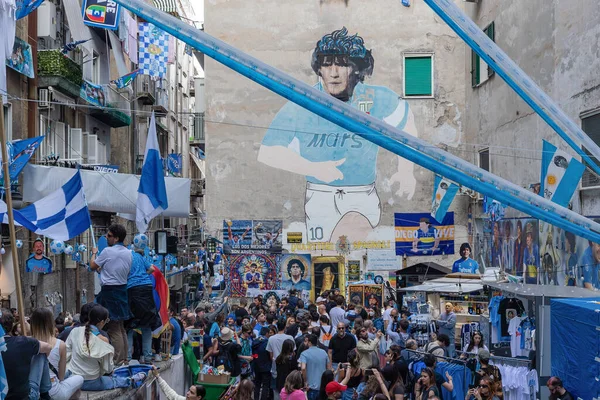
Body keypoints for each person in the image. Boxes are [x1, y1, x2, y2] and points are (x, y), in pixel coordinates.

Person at [258, 27, 419, 244]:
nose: (334, 72)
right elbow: (268, 152)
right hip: (318, 196)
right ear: (319, 69)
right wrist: (313, 168)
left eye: (342, 64)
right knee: (325, 258)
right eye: (327, 64)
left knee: (342, 245)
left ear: (356, 69)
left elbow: (405, 122)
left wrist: (406, 171)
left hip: (360, 196)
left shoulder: (375, 98)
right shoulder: (303, 102)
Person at [66, 304, 145, 390]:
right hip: (91, 381)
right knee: (114, 381)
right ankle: (131, 381)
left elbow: (67, 353)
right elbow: (108, 369)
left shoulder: (75, 331)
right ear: (101, 322)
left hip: (73, 379)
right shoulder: (103, 340)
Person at [90, 223, 132, 364]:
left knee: (113, 327)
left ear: (116, 238)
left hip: (110, 292)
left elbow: (92, 265)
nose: (106, 238)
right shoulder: (128, 253)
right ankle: (125, 358)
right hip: (122, 289)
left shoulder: (107, 251)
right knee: (120, 327)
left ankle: (118, 359)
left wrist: (94, 252)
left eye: (109, 236)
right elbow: (116, 269)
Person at [30, 307, 84, 400]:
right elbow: (61, 377)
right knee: (79, 378)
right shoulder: (60, 344)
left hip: (32, 390)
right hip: (53, 392)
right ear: (51, 323)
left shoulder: (25, 342)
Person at [1, 308, 54, 400]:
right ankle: (45, 394)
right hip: (25, 396)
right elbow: (48, 347)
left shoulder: (25, 341)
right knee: (41, 353)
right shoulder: (24, 342)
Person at [126, 248, 160, 363]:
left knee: (129, 326)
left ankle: (128, 358)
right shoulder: (139, 257)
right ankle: (148, 358)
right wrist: (143, 275)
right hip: (146, 289)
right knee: (147, 325)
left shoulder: (126, 256)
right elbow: (151, 268)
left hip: (132, 289)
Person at [268, 318, 296, 399]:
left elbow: (271, 355)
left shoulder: (271, 338)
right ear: (285, 327)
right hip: (288, 369)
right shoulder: (290, 338)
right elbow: (293, 353)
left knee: (276, 391)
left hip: (275, 368)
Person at [299, 334, 330, 400]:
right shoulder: (324, 352)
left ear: (309, 342)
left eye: (307, 341)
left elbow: (303, 368)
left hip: (311, 387)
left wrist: (305, 381)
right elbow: (329, 368)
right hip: (323, 387)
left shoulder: (304, 354)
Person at [252, 326, 273, 400]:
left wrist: (256, 358)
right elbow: (270, 354)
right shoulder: (267, 342)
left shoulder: (255, 341)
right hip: (266, 367)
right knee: (265, 386)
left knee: (257, 385)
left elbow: (254, 354)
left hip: (256, 366)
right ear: (267, 333)